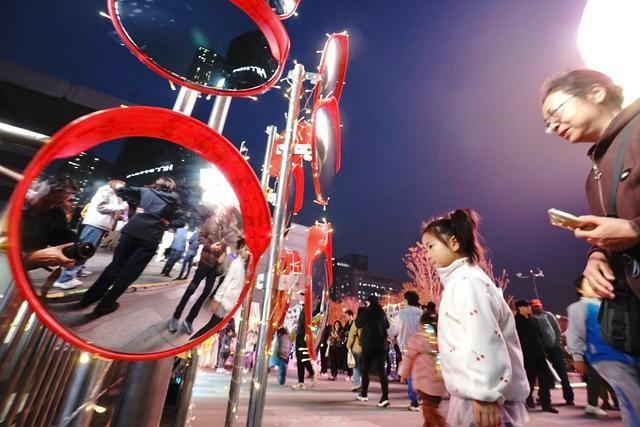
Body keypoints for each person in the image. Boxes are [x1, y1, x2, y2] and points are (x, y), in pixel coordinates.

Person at [541, 69, 640, 356]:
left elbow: (628, 228)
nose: (553, 126)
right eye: (548, 124)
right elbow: (614, 229)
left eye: (556, 112)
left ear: (596, 92)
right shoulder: (593, 175)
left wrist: (633, 230)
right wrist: (597, 255)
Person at [422, 209, 530, 426]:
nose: (427, 254)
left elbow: (484, 339)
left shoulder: (468, 282)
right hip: (473, 394)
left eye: (431, 246)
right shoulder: (462, 281)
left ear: (454, 243)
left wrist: (485, 393)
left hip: (482, 401)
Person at [79, 176, 185, 317]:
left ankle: (88, 299)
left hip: (131, 231)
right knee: (129, 274)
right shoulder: (174, 199)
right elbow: (181, 221)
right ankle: (104, 306)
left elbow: (122, 190)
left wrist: (137, 203)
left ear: (157, 183)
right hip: (150, 238)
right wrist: (167, 223)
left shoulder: (145, 191)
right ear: (172, 187)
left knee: (114, 266)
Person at [567, 275, 640, 425]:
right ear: (580, 289)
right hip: (604, 357)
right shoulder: (579, 308)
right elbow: (574, 333)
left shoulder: (606, 304)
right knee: (634, 396)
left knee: (629, 399)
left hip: (624, 355)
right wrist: (577, 357)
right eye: (589, 284)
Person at [54, 180, 128, 289]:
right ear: (115, 184)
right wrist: (120, 207)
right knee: (83, 250)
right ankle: (65, 279)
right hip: (95, 224)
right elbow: (101, 207)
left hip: (101, 225)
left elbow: (109, 209)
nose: (123, 189)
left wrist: (120, 214)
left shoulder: (115, 194)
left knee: (88, 250)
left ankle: (78, 270)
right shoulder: (106, 190)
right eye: (122, 187)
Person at [169, 207, 233, 334]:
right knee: (191, 289)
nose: (223, 214)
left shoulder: (225, 228)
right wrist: (210, 246)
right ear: (218, 210)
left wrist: (224, 253)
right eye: (222, 211)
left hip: (214, 267)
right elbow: (201, 237)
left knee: (206, 293)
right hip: (205, 262)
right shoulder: (210, 221)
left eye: (226, 213)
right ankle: (176, 316)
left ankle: (190, 320)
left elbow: (225, 246)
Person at [189, 239, 249, 340]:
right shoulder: (236, 263)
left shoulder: (241, 264)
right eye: (246, 250)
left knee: (213, 327)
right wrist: (217, 299)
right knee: (211, 327)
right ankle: (192, 342)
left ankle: (193, 342)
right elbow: (226, 282)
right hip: (224, 302)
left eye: (248, 252)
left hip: (227, 303)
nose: (247, 254)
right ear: (241, 248)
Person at [399, 311, 447, 427]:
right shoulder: (441, 339)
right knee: (430, 412)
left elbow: (408, 357)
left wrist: (403, 374)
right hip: (440, 382)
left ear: (421, 324)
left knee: (429, 412)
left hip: (425, 383)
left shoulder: (418, 339)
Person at [21, 174, 79, 271]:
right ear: (39, 190)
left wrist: (74, 247)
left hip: (24, 267)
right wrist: (31, 257)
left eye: (58, 203)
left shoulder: (56, 213)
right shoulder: (16, 204)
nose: (51, 206)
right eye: (49, 200)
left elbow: (60, 235)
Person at [513, 300, 557, 413]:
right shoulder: (516, 321)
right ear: (520, 308)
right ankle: (528, 398)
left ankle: (546, 404)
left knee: (545, 378)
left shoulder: (533, 319)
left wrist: (544, 350)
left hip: (540, 353)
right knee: (530, 379)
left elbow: (539, 336)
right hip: (527, 355)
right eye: (527, 306)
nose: (529, 308)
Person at [529, 298, 575, 405]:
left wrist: (558, 344)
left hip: (554, 349)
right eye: (534, 306)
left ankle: (569, 397)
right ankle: (543, 396)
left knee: (562, 373)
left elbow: (557, 330)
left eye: (538, 306)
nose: (537, 308)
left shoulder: (548, 315)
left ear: (541, 306)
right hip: (541, 350)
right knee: (543, 375)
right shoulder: (530, 318)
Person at [389, 290, 423, 411]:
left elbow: (393, 330)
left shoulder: (401, 314)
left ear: (407, 300)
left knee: (410, 374)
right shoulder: (421, 314)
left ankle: (414, 401)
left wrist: (390, 336)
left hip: (407, 348)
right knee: (419, 372)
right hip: (421, 347)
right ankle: (420, 396)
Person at [355, 294, 391, 408]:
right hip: (381, 345)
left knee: (365, 369)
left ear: (369, 302)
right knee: (382, 370)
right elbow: (387, 325)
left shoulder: (366, 311)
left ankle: (364, 394)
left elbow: (358, 324)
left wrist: (360, 314)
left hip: (368, 344)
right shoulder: (382, 313)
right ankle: (385, 397)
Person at [292, 303, 316, 391]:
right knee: (301, 358)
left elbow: (308, 325)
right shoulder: (304, 310)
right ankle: (302, 381)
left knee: (302, 358)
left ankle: (305, 379)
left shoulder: (308, 311)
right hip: (300, 336)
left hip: (303, 337)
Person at [347, 306, 364, 392]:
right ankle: (364, 384)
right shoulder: (368, 322)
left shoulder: (356, 322)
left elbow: (351, 335)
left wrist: (348, 346)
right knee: (364, 367)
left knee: (356, 366)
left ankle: (357, 384)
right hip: (366, 349)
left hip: (357, 348)